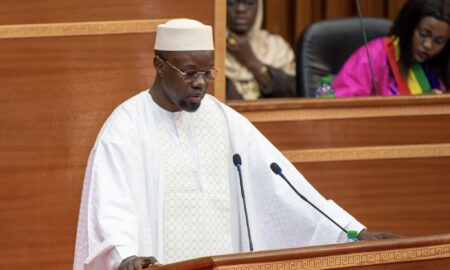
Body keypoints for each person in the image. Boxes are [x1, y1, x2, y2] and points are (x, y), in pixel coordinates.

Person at [73, 19, 398, 270]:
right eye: (189, 73)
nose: (200, 83)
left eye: (207, 72)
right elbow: (111, 207)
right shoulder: (126, 126)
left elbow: (285, 186)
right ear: (159, 66)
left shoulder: (222, 119)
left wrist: (350, 230)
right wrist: (125, 256)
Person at [333, 0, 450, 97]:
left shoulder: (444, 62)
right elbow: (344, 105)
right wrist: (416, 105)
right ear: (409, 26)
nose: (428, 45)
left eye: (439, 41)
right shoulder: (373, 55)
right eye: (423, 34)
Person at [226, 0, 296, 100]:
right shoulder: (211, 50)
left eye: (249, 3)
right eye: (231, 3)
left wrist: (252, 61)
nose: (240, 9)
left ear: (259, 8)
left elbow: (294, 92)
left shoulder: (277, 47)